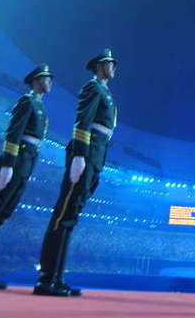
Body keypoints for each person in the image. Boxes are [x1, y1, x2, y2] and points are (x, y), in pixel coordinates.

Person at [35, 49, 119, 297]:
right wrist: (80, 154)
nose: (114, 67)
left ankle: (56, 278)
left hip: (98, 150)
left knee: (71, 215)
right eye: (109, 63)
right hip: (88, 148)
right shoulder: (93, 88)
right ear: (98, 66)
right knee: (64, 214)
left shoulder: (106, 91)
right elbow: (82, 121)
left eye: (114, 64)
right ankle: (47, 278)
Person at [0, 65, 51, 290]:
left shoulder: (39, 105)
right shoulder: (27, 102)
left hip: (27, 161)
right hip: (16, 159)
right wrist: (8, 163)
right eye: (45, 78)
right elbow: (14, 132)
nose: (49, 82)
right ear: (35, 80)